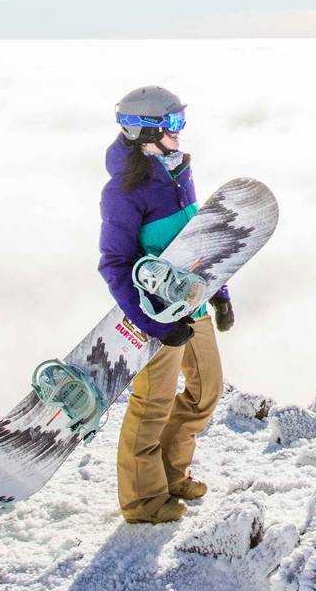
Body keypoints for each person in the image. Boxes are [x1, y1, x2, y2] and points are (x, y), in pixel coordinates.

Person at [99, 85, 235, 525]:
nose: (181, 131)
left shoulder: (178, 172)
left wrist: (220, 293)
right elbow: (115, 265)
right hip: (154, 315)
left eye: (181, 121)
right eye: (173, 123)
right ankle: (143, 501)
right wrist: (153, 325)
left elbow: (197, 241)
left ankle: (173, 474)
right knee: (152, 403)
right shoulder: (123, 190)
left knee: (206, 391)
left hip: (190, 307)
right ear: (145, 132)